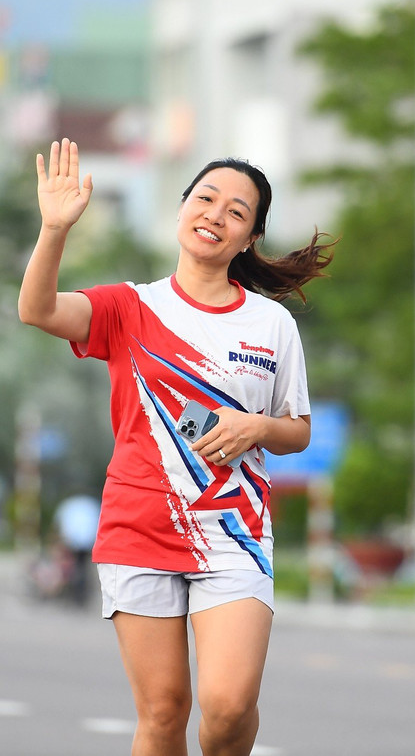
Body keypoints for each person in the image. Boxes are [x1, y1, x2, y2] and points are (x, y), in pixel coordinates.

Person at [17, 139, 332, 756]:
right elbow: (38, 309)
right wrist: (55, 229)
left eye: (236, 212)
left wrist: (257, 427)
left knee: (229, 707)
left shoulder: (270, 325)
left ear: (249, 238)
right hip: (139, 526)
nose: (216, 214)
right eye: (206, 199)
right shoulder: (129, 306)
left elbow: (298, 428)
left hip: (232, 528)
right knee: (163, 715)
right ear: (182, 207)